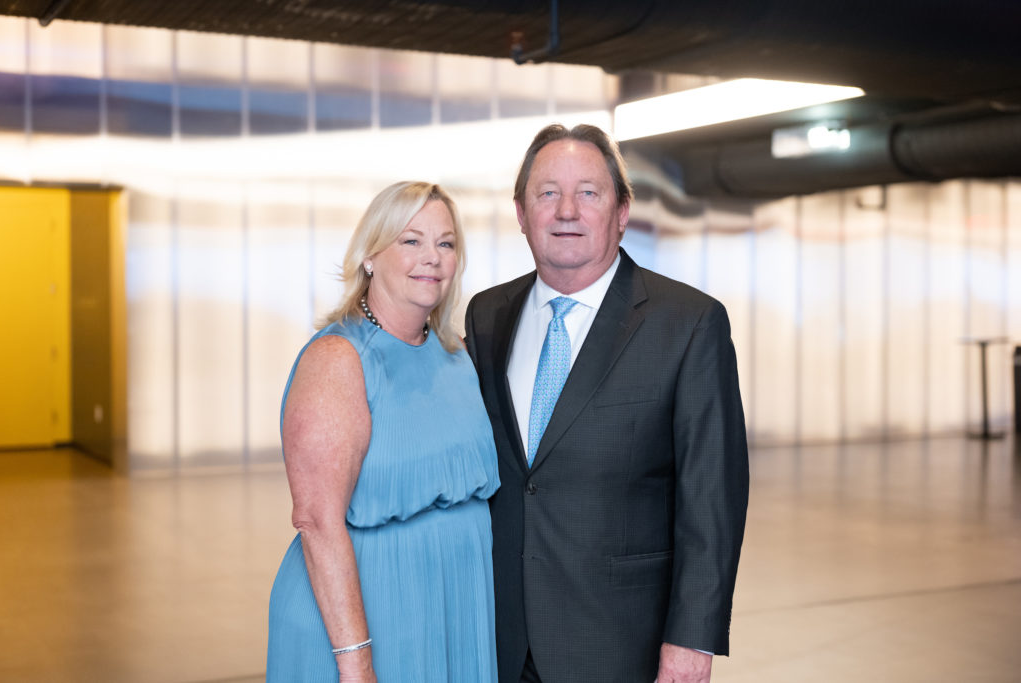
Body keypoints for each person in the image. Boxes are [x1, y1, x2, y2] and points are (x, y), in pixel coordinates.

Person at [464, 124, 749, 683]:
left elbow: (712, 500)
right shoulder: (487, 314)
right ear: (521, 213)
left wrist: (691, 640)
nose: (566, 210)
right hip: (499, 638)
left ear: (621, 211)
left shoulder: (688, 323)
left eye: (589, 192)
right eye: (546, 193)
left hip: (620, 644)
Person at [267, 181, 499, 682]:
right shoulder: (339, 359)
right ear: (370, 255)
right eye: (410, 240)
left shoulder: (458, 355)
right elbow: (317, 521)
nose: (431, 258)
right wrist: (356, 663)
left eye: (446, 243)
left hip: (452, 610)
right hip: (370, 620)